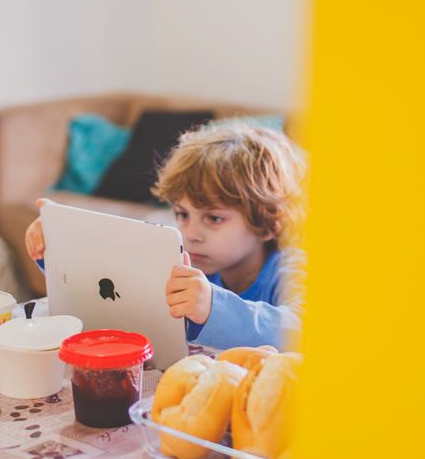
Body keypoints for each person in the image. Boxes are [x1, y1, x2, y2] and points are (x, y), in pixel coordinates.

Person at [24, 122, 307, 351]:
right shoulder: (187, 259)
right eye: (183, 214)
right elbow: (118, 283)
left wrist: (213, 307)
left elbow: (301, 330)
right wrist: (56, 248)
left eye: (214, 218)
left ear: (270, 220)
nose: (191, 233)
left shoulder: (291, 270)